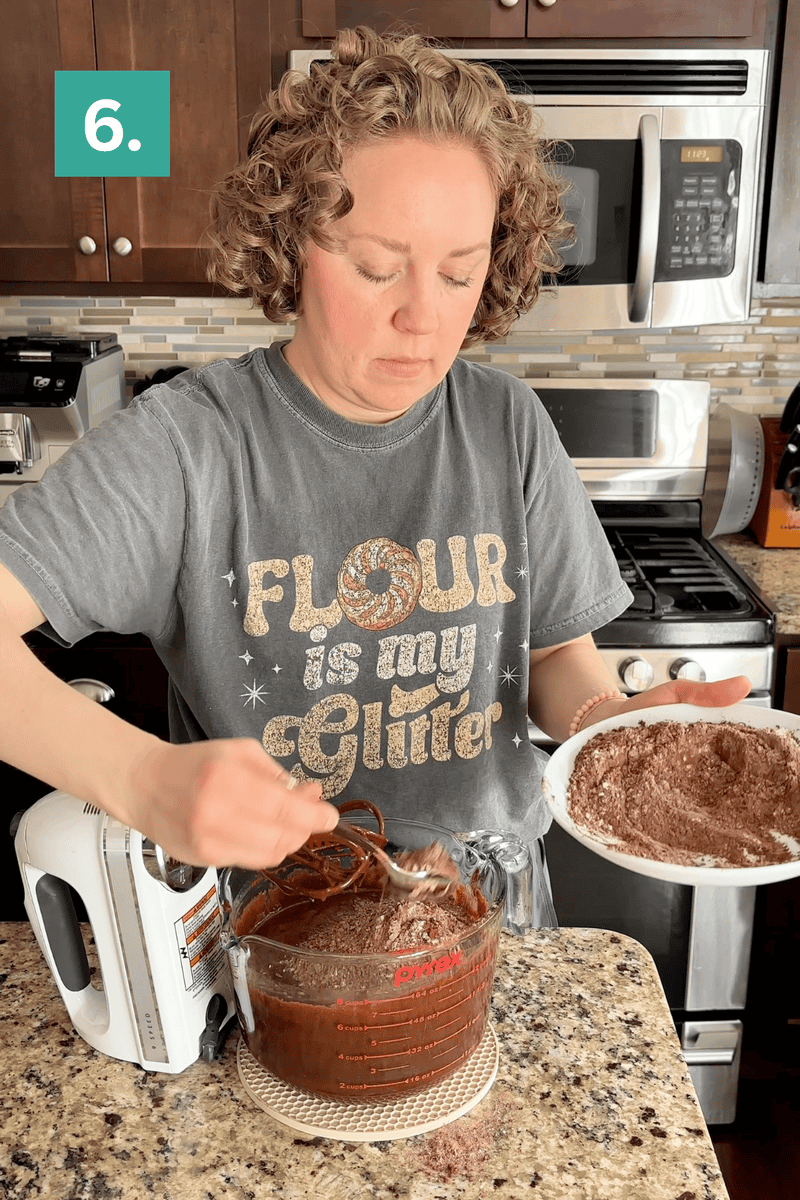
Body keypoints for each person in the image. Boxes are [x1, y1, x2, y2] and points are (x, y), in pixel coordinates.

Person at [0, 27, 749, 924]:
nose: (421, 319)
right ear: (290, 245)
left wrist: (605, 729)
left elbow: (551, 651)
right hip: (278, 935)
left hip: (489, 912)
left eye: (460, 273)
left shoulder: (506, 425)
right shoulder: (188, 449)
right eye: (375, 267)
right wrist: (138, 776)